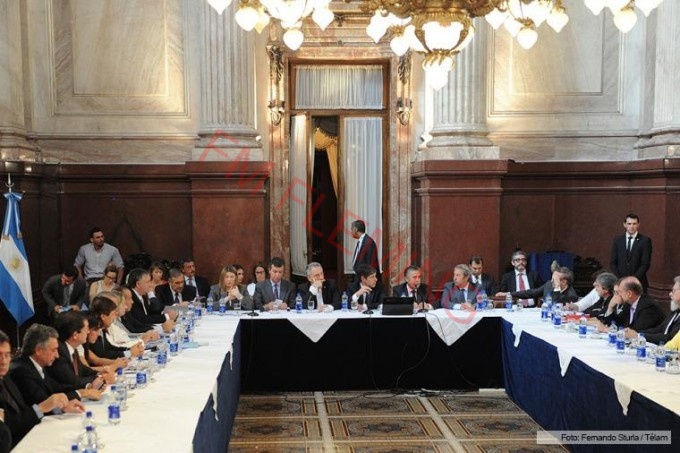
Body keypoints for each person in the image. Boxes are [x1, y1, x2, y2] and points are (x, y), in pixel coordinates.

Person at [0, 330, 84, 448]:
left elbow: (23, 410)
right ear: (38, 350)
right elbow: (10, 426)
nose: (4, 361)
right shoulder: (20, 370)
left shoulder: (6, 378)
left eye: (7, 355)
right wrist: (42, 408)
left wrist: (62, 406)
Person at [8, 325, 96, 407]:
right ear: (38, 350)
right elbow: (45, 401)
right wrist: (81, 393)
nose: (57, 355)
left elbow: (56, 388)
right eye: (53, 350)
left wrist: (87, 386)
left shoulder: (37, 364)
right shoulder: (21, 370)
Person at [46, 311, 109, 390]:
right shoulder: (59, 352)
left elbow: (83, 369)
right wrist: (100, 378)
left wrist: (99, 373)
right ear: (75, 335)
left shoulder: (71, 348)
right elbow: (72, 381)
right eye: (86, 329)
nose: (88, 332)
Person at [624, 276, 680, 344]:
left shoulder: (648, 305)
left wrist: (638, 336)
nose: (670, 294)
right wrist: (639, 334)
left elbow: (670, 338)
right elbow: (660, 329)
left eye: (673, 291)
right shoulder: (675, 311)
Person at [88, 295, 144, 360]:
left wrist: (130, 349)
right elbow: (102, 354)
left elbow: (110, 347)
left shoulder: (102, 328)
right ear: (103, 316)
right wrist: (129, 352)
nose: (115, 316)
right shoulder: (92, 329)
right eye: (113, 314)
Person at [610, 213, 653, 293]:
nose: (632, 226)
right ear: (624, 224)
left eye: (634, 224)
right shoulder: (618, 240)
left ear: (638, 224)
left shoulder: (645, 241)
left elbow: (645, 264)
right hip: (620, 283)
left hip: (638, 283)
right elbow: (613, 263)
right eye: (629, 224)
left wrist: (632, 280)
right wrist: (620, 280)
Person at [498, 267, 578, 307]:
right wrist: (508, 294)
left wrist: (557, 287)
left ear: (564, 282)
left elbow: (553, 306)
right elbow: (531, 292)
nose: (551, 281)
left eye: (554, 279)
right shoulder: (549, 284)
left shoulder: (571, 295)